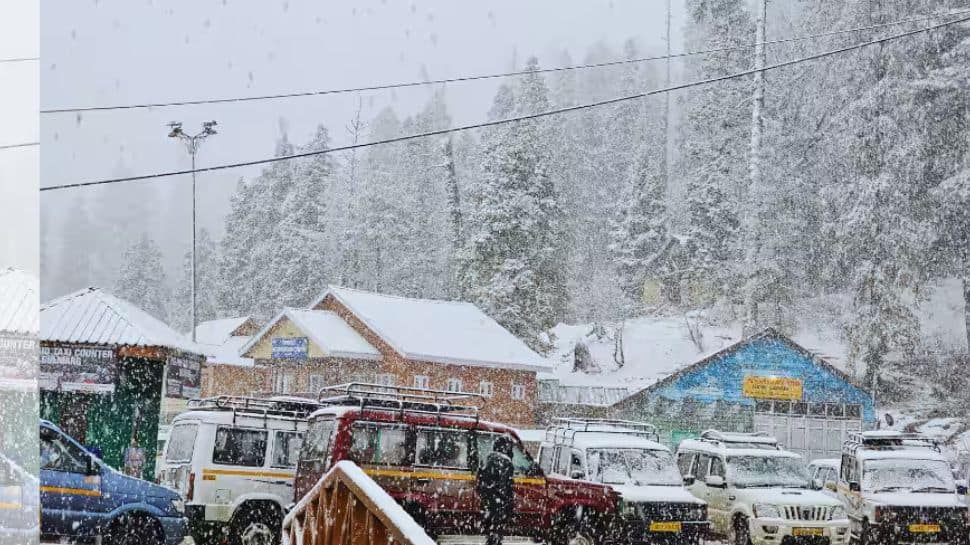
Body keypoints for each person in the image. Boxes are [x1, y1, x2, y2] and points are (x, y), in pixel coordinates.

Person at [477, 436, 514, 545]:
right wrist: (508, 503)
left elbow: (481, 481)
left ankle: (492, 538)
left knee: (492, 532)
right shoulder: (505, 463)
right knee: (497, 531)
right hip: (499, 503)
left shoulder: (488, 459)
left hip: (488, 501)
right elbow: (505, 486)